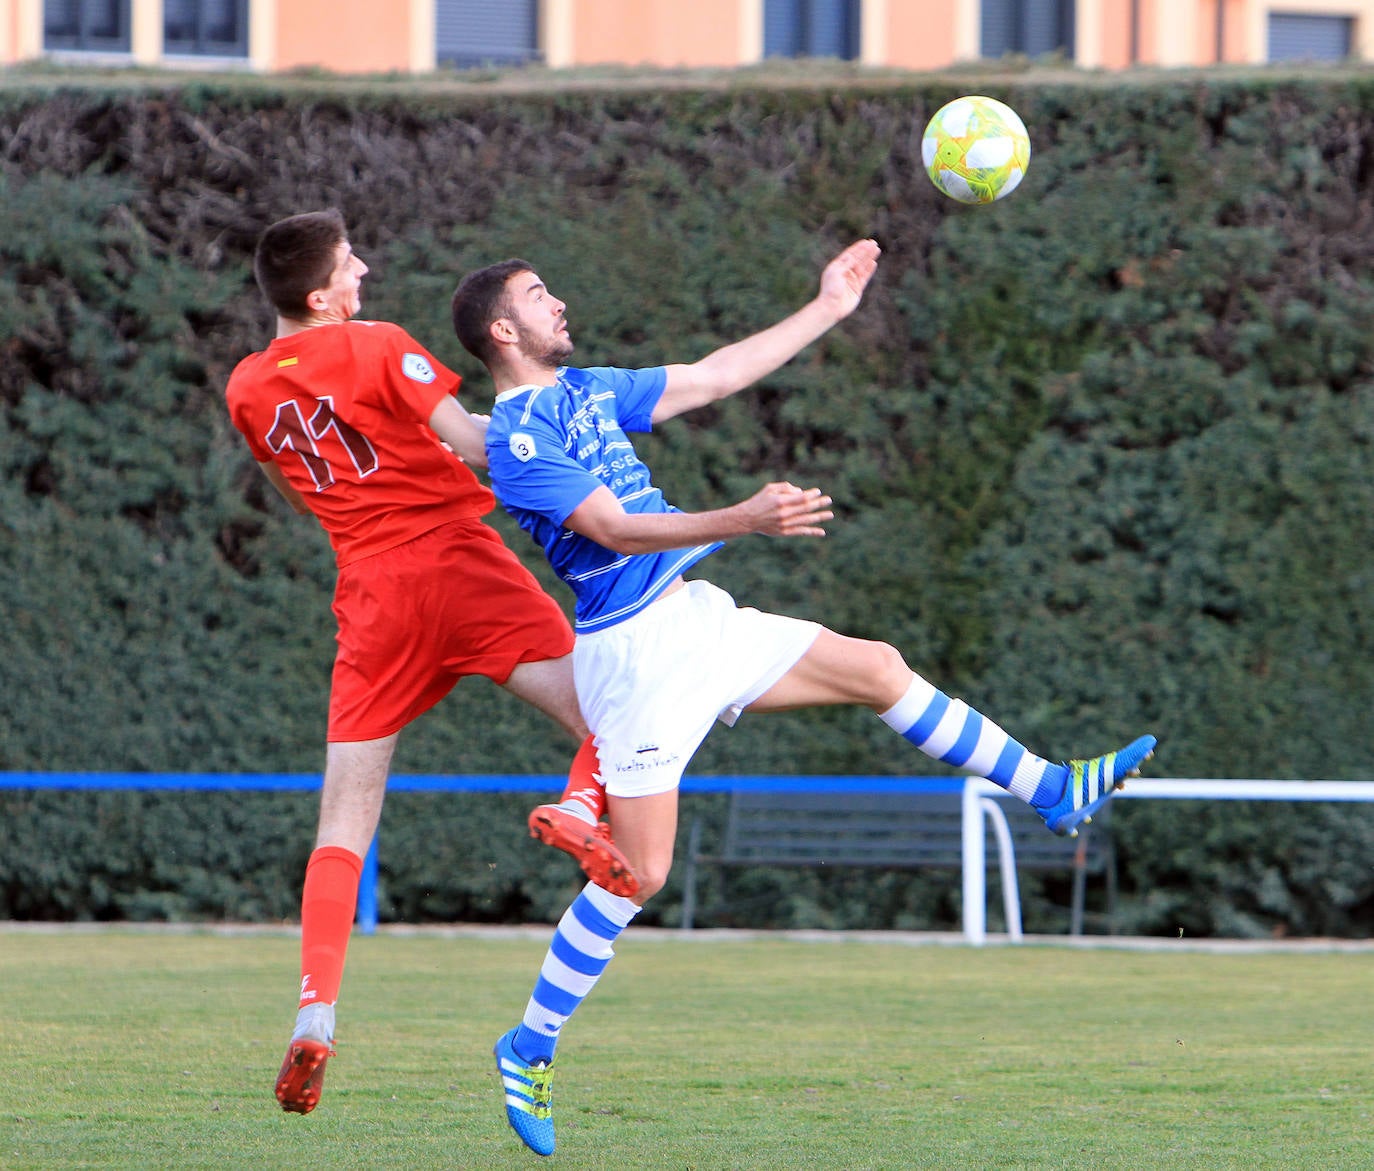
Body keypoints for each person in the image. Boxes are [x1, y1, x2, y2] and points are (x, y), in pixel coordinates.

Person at [450, 238, 1157, 1156]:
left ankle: (1052, 790)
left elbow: (710, 375)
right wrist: (744, 516)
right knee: (641, 874)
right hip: (637, 656)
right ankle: (529, 1042)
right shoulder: (517, 439)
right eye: (541, 296)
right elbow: (614, 529)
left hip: (699, 617)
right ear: (503, 330)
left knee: (877, 666)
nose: (561, 304)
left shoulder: (586, 391)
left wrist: (828, 306)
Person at [224, 209, 641, 1119]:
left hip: (370, 594)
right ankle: (578, 809)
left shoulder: (246, 389)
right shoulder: (373, 345)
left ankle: (316, 1011)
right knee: (619, 716)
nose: (364, 268)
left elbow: (315, 484)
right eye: (350, 263)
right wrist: (570, 444)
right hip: (458, 563)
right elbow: (476, 441)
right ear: (321, 293)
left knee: (344, 816)